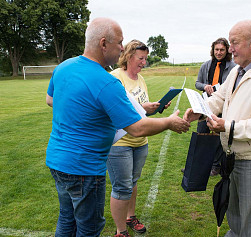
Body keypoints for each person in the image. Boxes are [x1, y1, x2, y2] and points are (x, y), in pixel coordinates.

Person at [45, 18, 190, 237]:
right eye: (119, 42)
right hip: (83, 167)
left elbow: (50, 99)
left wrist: (83, 110)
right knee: (89, 227)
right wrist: (169, 122)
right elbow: (137, 128)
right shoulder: (107, 81)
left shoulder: (63, 67)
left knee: (67, 219)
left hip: (57, 160)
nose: (122, 48)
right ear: (103, 44)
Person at [184, 20, 251, 236]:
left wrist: (228, 126)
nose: (230, 48)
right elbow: (221, 97)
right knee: (235, 215)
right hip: (235, 156)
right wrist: (201, 110)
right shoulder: (238, 71)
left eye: (234, 43)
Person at [107, 40, 171, 237]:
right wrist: (145, 108)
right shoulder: (115, 78)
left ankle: (130, 217)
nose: (144, 62)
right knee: (121, 187)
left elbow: (139, 113)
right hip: (120, 143)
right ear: (128, 56)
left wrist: (153, 108)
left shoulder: (140, 79)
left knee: (133, 182)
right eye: (141, 58)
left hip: (140, 142)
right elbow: (116, 112)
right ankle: (121, 231)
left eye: (146, 58)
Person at [194, 37, 236, 176]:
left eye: (222, 50)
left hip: (222, 105)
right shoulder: (205, 65)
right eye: (216, 49)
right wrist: (205, 86)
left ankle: (215, 166)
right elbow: (197, 83)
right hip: (206, 104)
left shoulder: (233, 67)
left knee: (218, 135)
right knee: (202, 133)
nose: (219, 52)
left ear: (227, 50)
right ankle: (198, 165)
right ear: (213, 50)